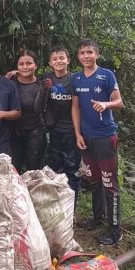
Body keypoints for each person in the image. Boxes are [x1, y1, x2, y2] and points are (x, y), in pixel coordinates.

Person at [71, 39, 125, 246]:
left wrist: (106, 104)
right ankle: (97, 218)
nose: (86, 56)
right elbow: (75, 108)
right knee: (93, 180)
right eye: (83, 53)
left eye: (90, 52)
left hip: (105, 137)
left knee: (109, 183)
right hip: (86, 137)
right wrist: (78, 134)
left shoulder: (107, 75)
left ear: (97, 55)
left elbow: (119, 102)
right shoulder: (76, 79)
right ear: (78, 57)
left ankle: (115, 230)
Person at [44, 45, 82, 195]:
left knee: (72, 167)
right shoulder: (48, 78)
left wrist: (78, 132)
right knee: (56, 166)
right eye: (55, 59)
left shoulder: (74, 79)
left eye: (61, 58)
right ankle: (59, 199)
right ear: (50, 63)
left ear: (68, 60)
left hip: (71, 130)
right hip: (54, 130)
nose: (58, 61)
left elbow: (76, 106)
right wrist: (15, 73)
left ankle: (72, 203)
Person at [8, 49, 48, 172]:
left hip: (35, 134)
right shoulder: (10, 82)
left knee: (33, 171)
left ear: (35, 65)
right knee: (13, 171)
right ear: (17, 66)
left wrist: (43, 91)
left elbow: (38, 109)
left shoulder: (41, 85)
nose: (25, 67)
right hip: (13, 134)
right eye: (21, 64)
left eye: (29, 63)